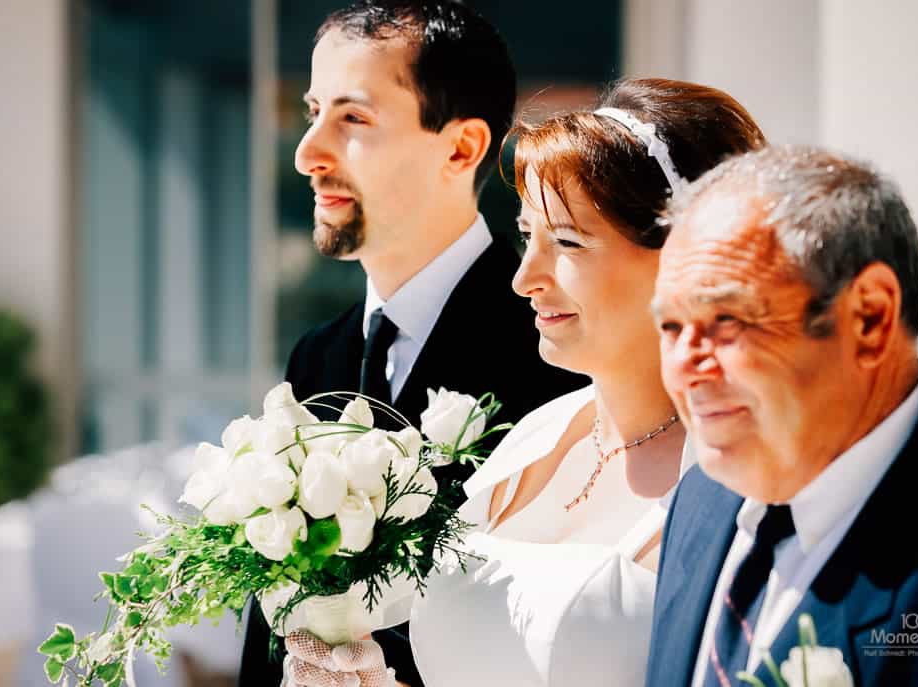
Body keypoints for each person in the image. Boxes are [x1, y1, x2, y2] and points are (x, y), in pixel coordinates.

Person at [282, 78, 766, 687]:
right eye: (526, 237)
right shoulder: (532, 439)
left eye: (565, 242)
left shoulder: (742, 483)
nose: (524, 279)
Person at [238, 2, 587, 686]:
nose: (308, 152)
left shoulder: (554, 354)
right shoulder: (317, 357)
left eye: (353, 118)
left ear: (460, 148)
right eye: (313, 112)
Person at [646, 145, 918, 686]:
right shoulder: (700, 502)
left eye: (726, 319)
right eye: (671, 327)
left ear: (869, 317)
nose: (685, 366)